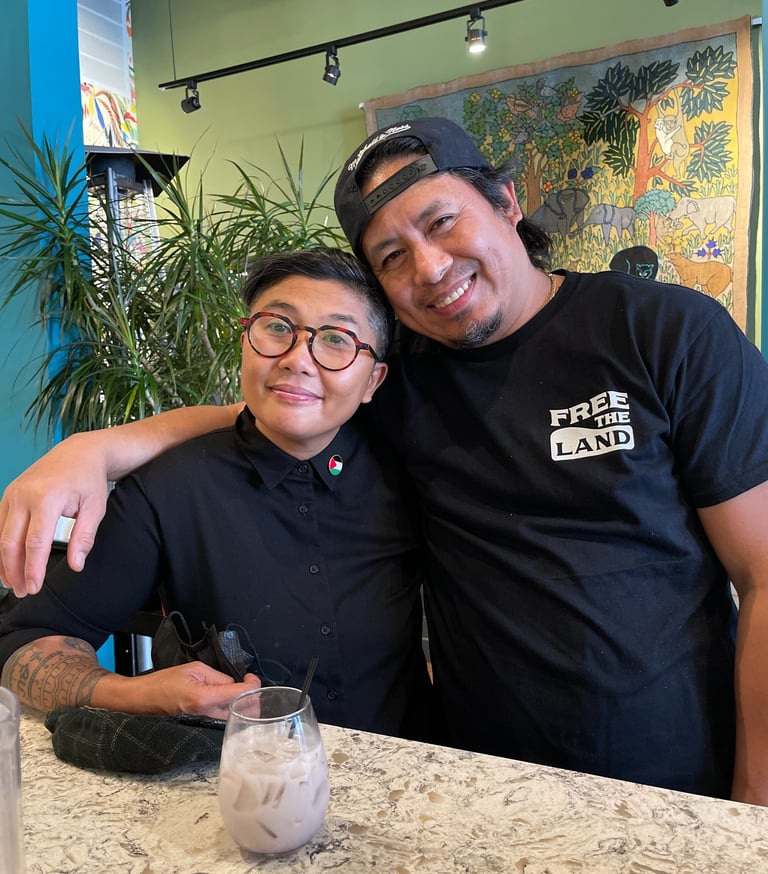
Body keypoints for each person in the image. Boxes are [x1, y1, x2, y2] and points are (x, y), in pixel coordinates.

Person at [2, 117, 768, 804]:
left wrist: (756, 800)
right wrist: (96, 446)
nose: (430, 269)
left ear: (505, 202)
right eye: (393, 257)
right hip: (473, 784)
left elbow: (762, 574)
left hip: (683, 778)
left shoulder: (664, 332)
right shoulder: (405, 378)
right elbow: (283, 408)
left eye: (443, 223)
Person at [0, 247, 432, 738]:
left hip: (411, 779)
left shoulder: (410, 469)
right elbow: (23, 642)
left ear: (373, 379)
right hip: (231, 782)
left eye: (336, 339)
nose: (298, 360)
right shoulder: (170, 488)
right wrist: (137, 694)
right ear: (245, 341)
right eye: (277, 326)